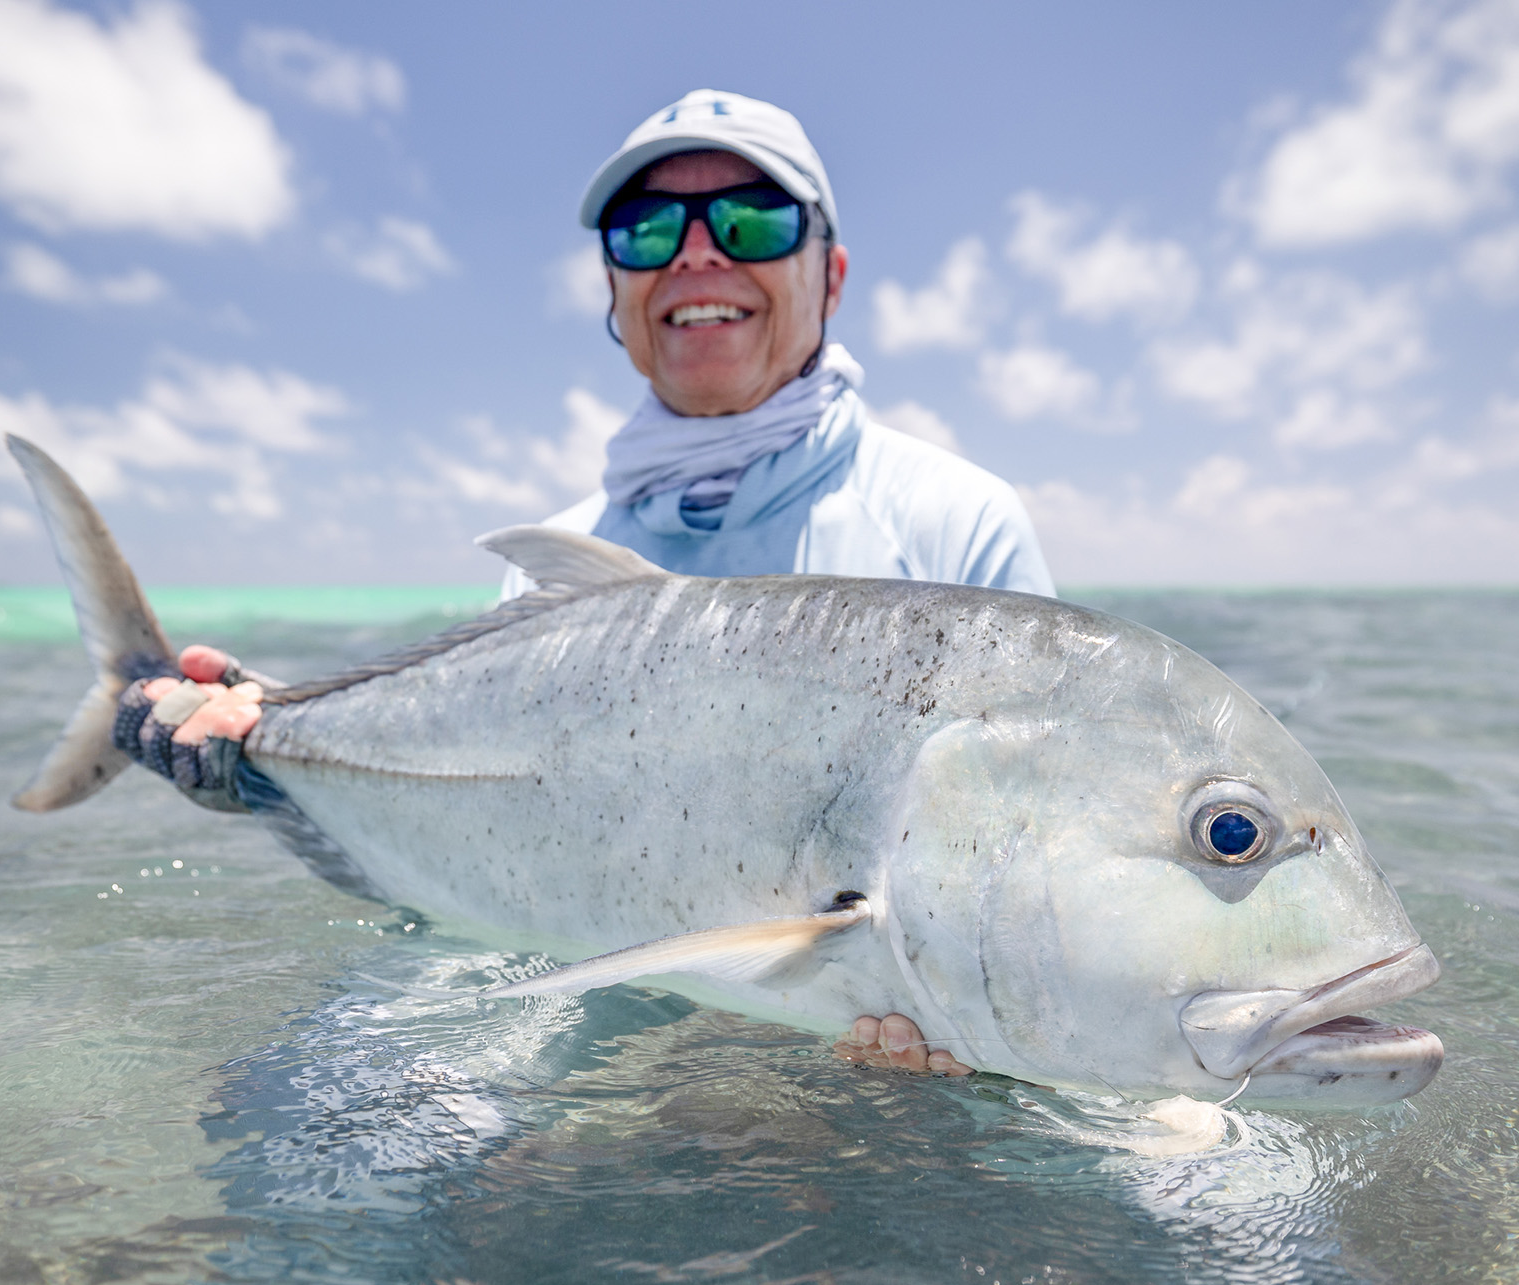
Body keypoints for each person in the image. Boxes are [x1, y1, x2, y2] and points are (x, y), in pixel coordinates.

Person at [131, 90, 1058, 1080]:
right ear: (616, 289)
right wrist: (274, 755)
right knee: (307, 1124)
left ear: (828, 274)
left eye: (752, 218)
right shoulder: (565, 555)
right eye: (648, 228)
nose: (697, 254)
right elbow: (473, 850)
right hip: (611, 1040)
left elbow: (1040, 860)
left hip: (872, 1074)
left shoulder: (955, 523)